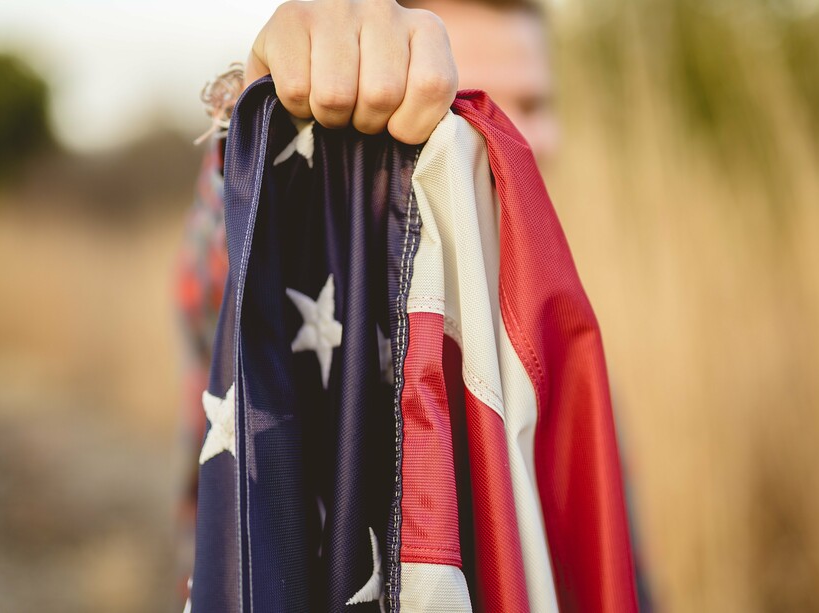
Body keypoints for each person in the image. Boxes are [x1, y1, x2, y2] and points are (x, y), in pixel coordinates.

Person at [175, 0, 649, 607]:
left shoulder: (544, 321)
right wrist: (253, 123)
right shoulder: (345, 259)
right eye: (469, 105)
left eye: (535, 103)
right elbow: (214, 284)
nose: (521, 135)